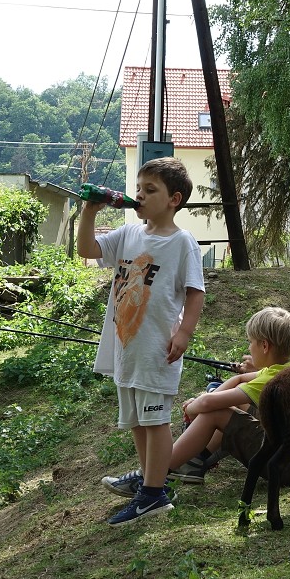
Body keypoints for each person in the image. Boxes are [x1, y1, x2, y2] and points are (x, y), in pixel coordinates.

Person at [77, 157, 206, 527]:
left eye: (150, 190)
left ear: (173, 199)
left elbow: (196, 293)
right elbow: (88, 250)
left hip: (156, 348)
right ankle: (149, 479)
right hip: (126, 346)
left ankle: (153, 494)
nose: (139, 196)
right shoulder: (128, 235)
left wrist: (183, 333)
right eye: (138, 189)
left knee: (155, 420)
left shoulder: (182, 244)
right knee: (136, 419)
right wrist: (89, 212)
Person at [101, 306, 290, 496]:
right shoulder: (289, 368)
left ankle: (155, 473)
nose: (248, 348)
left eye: (251, 342)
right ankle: (193, 463)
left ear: (264, 345)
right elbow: (241, 378)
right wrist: (208, 396)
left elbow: (207, 407)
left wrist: (194, 405)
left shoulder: (273, 379)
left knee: (217, 412)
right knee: (231, 404)